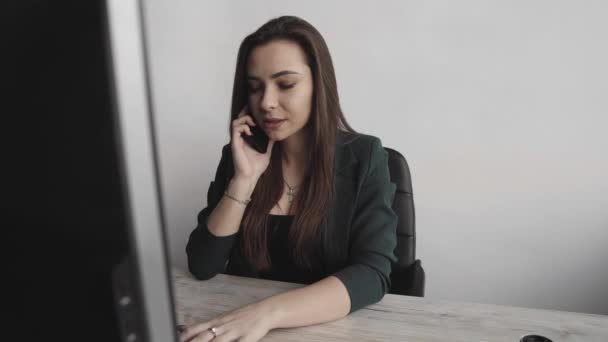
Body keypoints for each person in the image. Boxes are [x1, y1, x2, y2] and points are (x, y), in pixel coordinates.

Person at [180, 15, 398, 342]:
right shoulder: (239, 157)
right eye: (255, 88)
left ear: (318, 85)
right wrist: (244, 179)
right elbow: (203, 263)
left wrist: (268, 313)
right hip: (242, 331)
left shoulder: (365, 157)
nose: (266, 102)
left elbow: (372, 274)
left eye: (286, 84)